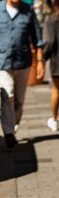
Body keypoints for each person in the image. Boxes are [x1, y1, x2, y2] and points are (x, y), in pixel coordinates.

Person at [0, 0, 44, 148]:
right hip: (0, 61)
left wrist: (40, 61)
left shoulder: (28, 10)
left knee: (19, 100)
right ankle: (8, 132)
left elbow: (37, 38)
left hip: (22, 62)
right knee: (8, 94)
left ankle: (12, 126)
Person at [44, 0, 59, 131]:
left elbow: (49, 41)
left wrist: (43, 57)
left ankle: (54, 121)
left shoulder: (51, 19)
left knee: (56, 90)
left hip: (57, 61)